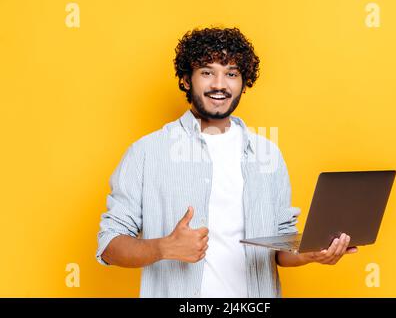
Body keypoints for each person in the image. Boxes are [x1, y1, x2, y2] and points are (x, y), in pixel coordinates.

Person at [96, 27, 358, 298]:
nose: (220, 84)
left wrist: (311, 253)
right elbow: (109, 245)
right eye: (207, 72)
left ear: (244, 82)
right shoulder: (146, 153)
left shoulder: (266, 153)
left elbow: (280, 249)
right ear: (186, 80)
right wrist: (163, 247)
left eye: (231, 74)